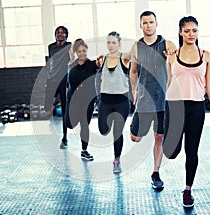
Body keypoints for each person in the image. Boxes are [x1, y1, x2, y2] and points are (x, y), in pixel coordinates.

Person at [163, 16, 210, 207]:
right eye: (187, 31)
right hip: (175, 106)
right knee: (171, 152)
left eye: (194, 30)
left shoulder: (206, 55)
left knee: (192, 151)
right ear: (180, 32)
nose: (191, 34)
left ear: (198, 32)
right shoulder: (172, 55)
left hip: (196, 108)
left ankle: (188, 190)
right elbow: (169, 82)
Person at [129, 11, 176, 189]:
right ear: (141, 25)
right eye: (145, 23)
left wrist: (172, 53)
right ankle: (135, 131)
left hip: (162, 100)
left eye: (151, 22)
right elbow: (133, 72)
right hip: (143, 99)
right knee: (135, 138)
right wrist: (134, 92)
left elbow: (174, 65)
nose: (148, 26)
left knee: (159, 136)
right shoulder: (136, 47)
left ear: (157, 23)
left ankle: (155, 172)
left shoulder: (168, 44)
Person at [96, 31, 131, 173]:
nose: (111, 45)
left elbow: (133, 53)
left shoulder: (124, 58)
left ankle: (117, 160)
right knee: (103, 130)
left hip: (121, 101)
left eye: (114, 42)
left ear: (119, 44)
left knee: (118, 133)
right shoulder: (102, 59)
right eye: (109, 42)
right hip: (105, 101)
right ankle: (108, 124)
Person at [65, 38, 101, 161]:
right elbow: (67, 84)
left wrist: (101, 61)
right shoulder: (71, 66)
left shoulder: (91, 64)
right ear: (76, 52)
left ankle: (84, 150)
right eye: (79, 51)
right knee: (69, 124)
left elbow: (98, 64)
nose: (82, 53)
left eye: (84, 51)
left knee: (84, 125)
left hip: (87, 100)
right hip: (73, 100)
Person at [45, 26, 71, 149]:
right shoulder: (51, 47)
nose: (60, 34)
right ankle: (55, 101)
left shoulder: (69, 46)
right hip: (53, 79)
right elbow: (51, 63)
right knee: (47, 104)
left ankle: (65, 137)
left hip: (64, 79)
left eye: (62, 33)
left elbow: (72, 60)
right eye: (58, 32)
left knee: (65, 110)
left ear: (66, 35)